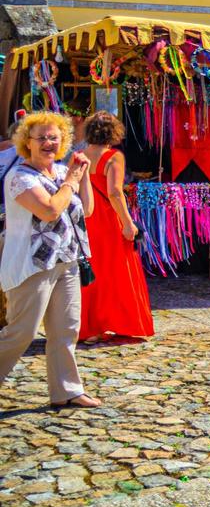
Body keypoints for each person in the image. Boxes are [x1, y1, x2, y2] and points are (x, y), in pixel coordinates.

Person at [0, 111, 100, 408]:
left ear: (63, 141)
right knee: (21, 332)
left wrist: (84, 175)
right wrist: (71, 179)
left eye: (53, 137)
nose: (48, 142)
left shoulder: (58, 172)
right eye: (40, 137)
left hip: (66, 259)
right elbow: (50, 211)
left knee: (66, 329)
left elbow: (88, 210)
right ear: (26, 143)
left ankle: (67, 389)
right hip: (31, 264)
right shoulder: (20, 177)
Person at [77, 112, 152, 343]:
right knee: (115, 271)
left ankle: (90, 327)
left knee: (90, 272)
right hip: (109, 219)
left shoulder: (79, 155)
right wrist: (128, 223)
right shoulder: (113, 156)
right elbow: (114, 192)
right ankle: (116, 322)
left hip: (87, 218)